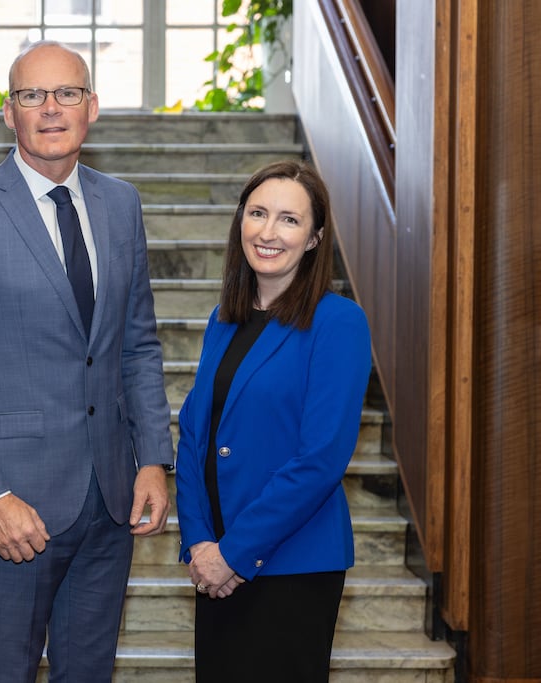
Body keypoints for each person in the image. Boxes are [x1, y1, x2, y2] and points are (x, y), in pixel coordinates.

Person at [0, 41, 174, 682]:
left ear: (92, 107)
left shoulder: (121, 204)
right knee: (5, 670)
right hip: (15, 505)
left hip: (110, 498)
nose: (51, 108)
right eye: (32, 95)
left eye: (67, 93)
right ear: (10, 113)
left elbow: (138, 344)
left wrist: (152, 458)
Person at [175, 160, 372, 681]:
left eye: (289, 219)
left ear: (314, 238)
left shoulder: (339, 322)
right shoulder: (225, 318)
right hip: (213, 562)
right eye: (258, 213)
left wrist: (235, 554)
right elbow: (194, 434)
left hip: (292, 564)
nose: (268, 232)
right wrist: (200, 542)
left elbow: (321, 458)